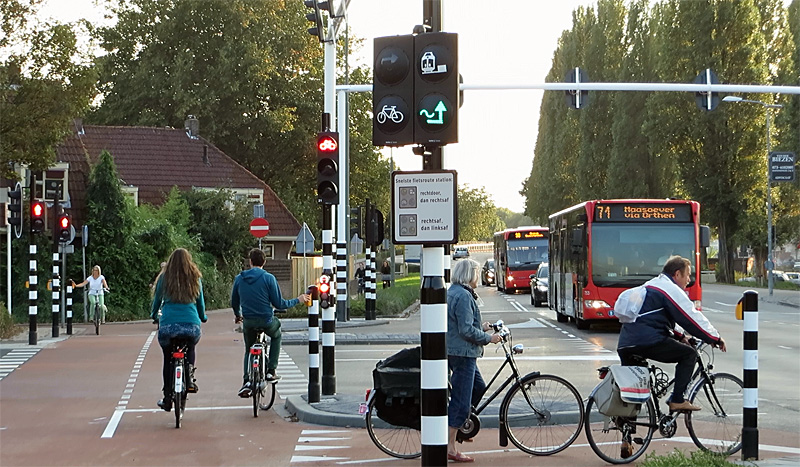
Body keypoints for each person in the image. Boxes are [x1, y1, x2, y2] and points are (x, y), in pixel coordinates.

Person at [618, 256, 726, 414]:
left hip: (626, 344)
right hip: (648, 341)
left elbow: (656, 317)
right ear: (677, 274)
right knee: (689, 354)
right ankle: (677, 400)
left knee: (633, 391)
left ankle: (626, 435)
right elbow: (690, 317)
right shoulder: (668, 288)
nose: (689, 280)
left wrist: (681, 337)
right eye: (687, 275)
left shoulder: (652, 285)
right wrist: (714, 338)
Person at [232, 248, 310, 397]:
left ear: (250, 262)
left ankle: (246, 381)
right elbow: (279, 303)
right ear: (264, 262)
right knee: (276, 335)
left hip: (248, 321)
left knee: (248, 349)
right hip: (267, 320)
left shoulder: (239, 279)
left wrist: (238, 314)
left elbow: (234, 301)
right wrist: (298, 300)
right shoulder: (269, 278)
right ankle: (271, 370)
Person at [446, 258, 502, 463]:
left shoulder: (454, 291)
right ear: (469, 275)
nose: (478, 277)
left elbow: (462, 323)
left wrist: (483, 326)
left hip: (459, 351)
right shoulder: (462, 296)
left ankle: (460, 425)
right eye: (476, 273)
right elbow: (465, 330)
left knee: (478, 387)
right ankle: (450, 446)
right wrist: (489, 338)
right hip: (463, 354)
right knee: (461, 401)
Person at [149, 248, 207, 412]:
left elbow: (157, 300)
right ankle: (189, 378)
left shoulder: (164, 278)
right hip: (191, 324)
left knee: (168, 359)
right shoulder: (195, 277)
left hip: (168, 325)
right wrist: (202, 317)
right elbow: (200, 302)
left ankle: (167, 398)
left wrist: (154, 315)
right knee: (191, 346)